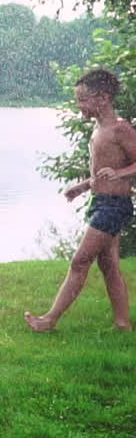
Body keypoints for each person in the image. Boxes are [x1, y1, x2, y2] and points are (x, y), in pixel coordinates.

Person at [26, 68, 133, 332]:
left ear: (103, 98)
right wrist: (83, 186)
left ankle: (49, 320)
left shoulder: (120, 129)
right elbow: (103, 171)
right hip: (101, 202)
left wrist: (119, 173)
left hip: (114, 206)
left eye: (83, 100)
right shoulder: (99, 130)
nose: (79, 106)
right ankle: (123, 325)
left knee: (80, 261)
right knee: (109, 266)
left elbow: (123, 168)